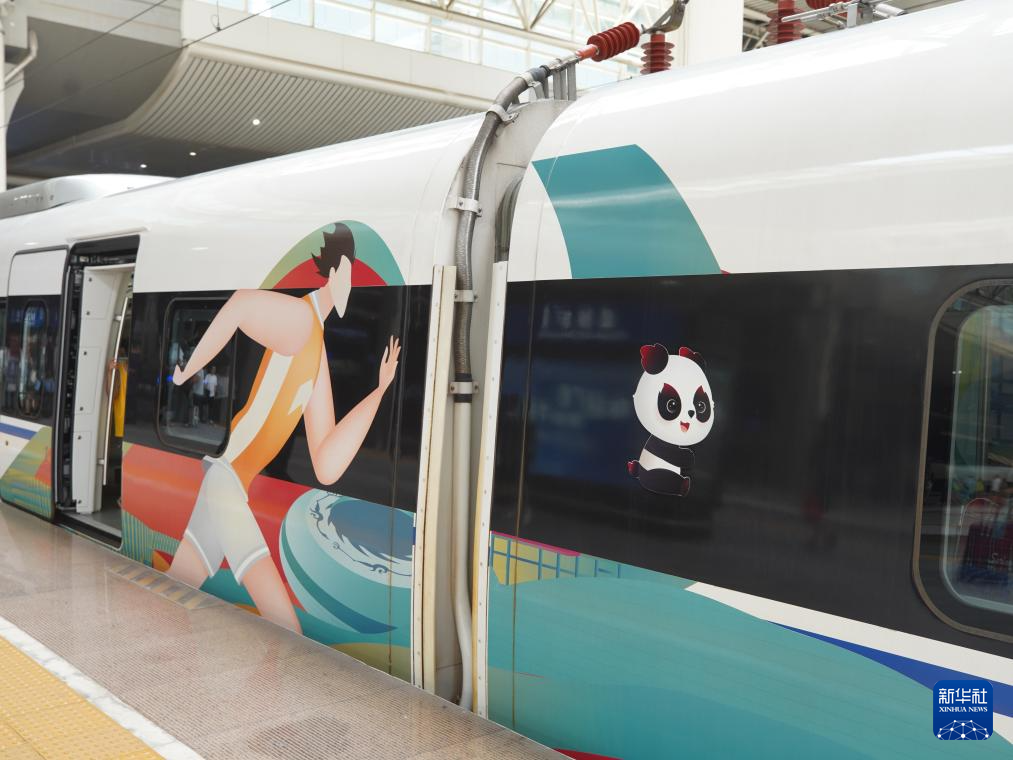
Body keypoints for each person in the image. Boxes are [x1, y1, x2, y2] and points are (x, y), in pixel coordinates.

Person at [167, 224, 400, 633]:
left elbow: (326, 464)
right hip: (227, 483)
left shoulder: (316, 348)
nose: (353, 288)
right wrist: (187, 372)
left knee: (174, 589)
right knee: (287, 629)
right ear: (337, 270)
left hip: (229, 482)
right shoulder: (299, 318)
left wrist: (378, 393)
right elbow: (240, 304)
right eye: (351, 275)